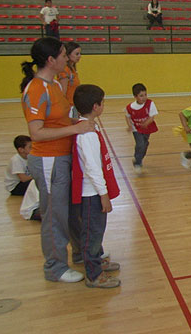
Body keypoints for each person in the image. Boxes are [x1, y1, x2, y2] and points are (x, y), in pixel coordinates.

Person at [20, 37, 95, 283]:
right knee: (55, 215)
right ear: (51, 60)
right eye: (63, 54)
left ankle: (79, 254)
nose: (67, 58)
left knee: (71, 211)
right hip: (48, 160)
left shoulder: (54, 85)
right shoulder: (36, 90)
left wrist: (77, 123)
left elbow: (59, 120)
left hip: (63, 157)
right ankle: (55, 267)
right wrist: (75, 130)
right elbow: (37, 133)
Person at [72, 84, 121, 288]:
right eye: (102, 102)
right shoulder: (87, 135)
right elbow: (92, 168)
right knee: (92, 233)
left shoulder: (89, 126)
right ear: (96, 106)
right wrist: (103, 194)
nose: (103, 105)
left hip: (94, 192)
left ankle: (97, 260)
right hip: (92, 193)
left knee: (96, 232)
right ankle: (93, 274)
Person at [125, 83, 158, 174]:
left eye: (145, 95)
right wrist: (130, 125)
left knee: (144, 144)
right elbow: (127, 116)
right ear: (135, 96)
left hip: (147, 128)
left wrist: (146, 123)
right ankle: (137, 162)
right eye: (141, 96)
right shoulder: (130, 107)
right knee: (140, 144)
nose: (144, 97)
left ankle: (138, 158)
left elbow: (152, 117)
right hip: (136, 129)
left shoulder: (150, 103)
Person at [57, 41, 81, 108]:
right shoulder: (65, 70)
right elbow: (62, 93)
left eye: (80, 53)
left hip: (73, 105)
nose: (79, 56)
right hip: (68, 107)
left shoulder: (72, 69)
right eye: (77, 54)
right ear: (68, 54)